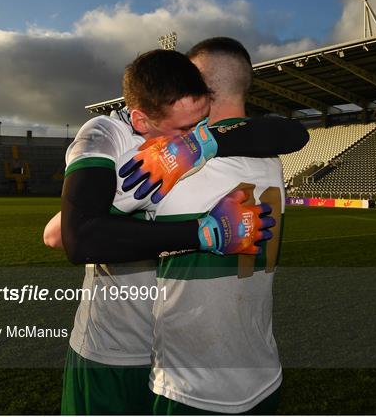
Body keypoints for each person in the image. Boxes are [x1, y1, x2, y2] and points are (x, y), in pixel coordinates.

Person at [46, 48, 308, 415]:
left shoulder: (191, 144)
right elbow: (68, 237)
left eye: (203, 121)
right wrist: (202, 234)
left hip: (166, 352)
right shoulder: (108, 136)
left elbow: (291, 132)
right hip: (114, 344)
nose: (198, 131)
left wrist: (202, 143)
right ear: (142, 119)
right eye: (187, 128)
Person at [127, 38, 287, 414]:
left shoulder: (175, 165)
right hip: (263, 375)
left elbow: (71, 232)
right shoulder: (273, 162)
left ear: (199, 87)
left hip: (194, 389)